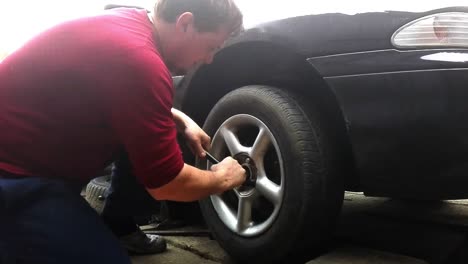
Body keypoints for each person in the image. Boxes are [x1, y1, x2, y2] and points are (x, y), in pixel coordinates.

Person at [0, 0, 246, 263]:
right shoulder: (140, 59)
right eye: (211, 47)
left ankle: (118, 225)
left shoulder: (131, 24)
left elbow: (119, 95)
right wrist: (222, 179)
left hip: (31, 156)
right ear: (185, 23)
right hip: (14, 176)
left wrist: (181, 118)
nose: (209, 60)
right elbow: (167, 184)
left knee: (157, 135)